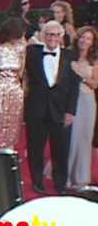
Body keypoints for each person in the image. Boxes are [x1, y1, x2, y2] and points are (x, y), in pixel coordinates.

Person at [25, 21, 80, 195]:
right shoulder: (31, 53)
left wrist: (71, 111)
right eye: (49, 34)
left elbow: (74, 87)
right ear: (42, 35)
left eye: (56, 34)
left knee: (61, 150)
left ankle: (60, 184)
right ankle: (37, 182)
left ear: (61, 36)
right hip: (36, 111)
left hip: (61, 112)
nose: (52, 38)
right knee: (35, 149)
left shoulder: (70, 56)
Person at [68, 26, 98, 188]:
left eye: (88, 39)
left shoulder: (94, 61)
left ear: (92, 43)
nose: (84, 41)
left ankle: (81, 177)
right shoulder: (68, 56)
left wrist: (82, 76)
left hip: (87, 102)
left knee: (85, 138)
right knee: (72, 137)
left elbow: (95, 84)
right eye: (82, 37)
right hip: (70, 102)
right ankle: (67, 176)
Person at [0, 18, 27, 150]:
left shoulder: (20, 49)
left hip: (16, 92)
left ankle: (9, 153)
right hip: (0, 91)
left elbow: (21, 72)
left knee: (13, 125)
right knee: (0, 124)